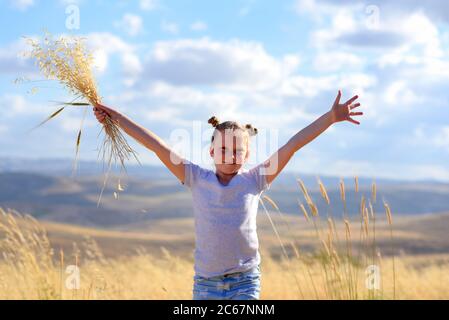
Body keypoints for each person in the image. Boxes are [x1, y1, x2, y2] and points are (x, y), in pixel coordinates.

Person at [93, 90, 363, 299]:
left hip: (245, 281)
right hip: (206, 284)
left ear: (247, 155)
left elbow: (292, 145)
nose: (230, 157)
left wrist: (330, 118)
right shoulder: (196, 178)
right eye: (223, 150)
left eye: (237, 152)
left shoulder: (256, 179)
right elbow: (155, 145)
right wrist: (114, 117)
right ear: (211, 152)